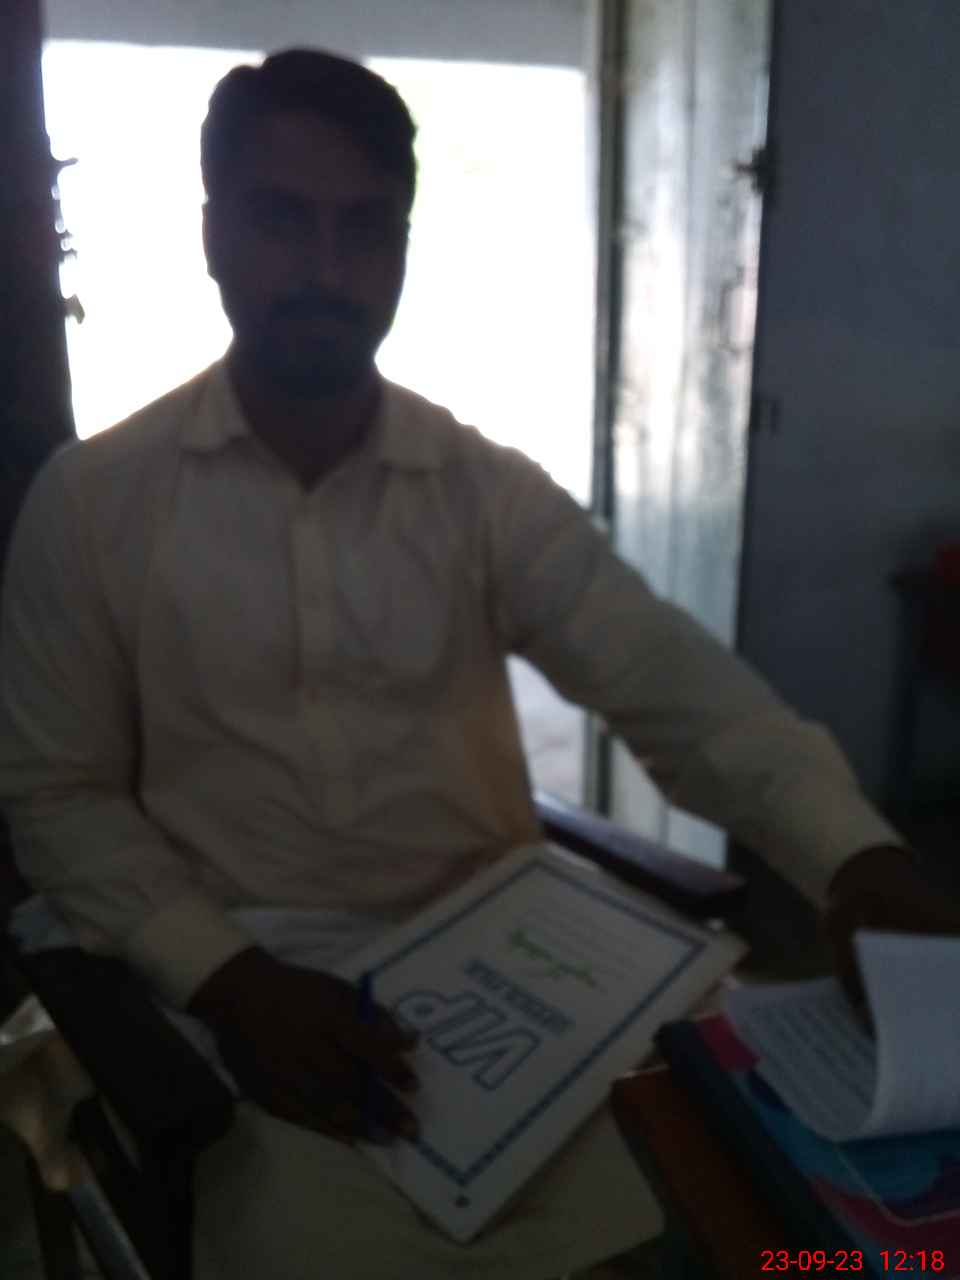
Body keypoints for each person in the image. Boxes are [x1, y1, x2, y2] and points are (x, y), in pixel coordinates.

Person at [0, 47, 956, 1280]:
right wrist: (229, 980)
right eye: (283, 218)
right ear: (212, 233)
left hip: (529, 966)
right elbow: (59, 793)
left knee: (771, 1204)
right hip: (253, 986)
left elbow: (669, 680)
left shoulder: (478, 491)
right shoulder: (93, 506)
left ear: (402, 250)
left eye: (367, 229)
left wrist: (854, 853)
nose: (327, 269)